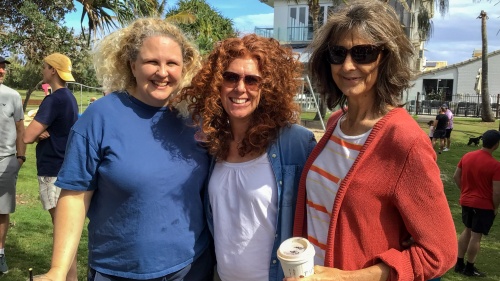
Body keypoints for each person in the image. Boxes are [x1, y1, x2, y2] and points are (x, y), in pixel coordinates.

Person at [287, 1, 457, 280]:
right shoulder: (335, 123)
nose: (347, 65)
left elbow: (440, 252)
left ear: (385, 59)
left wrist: (344, 277)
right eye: (337, 53)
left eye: (363, 53)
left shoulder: (404, 141)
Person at [33, 18, 213, 281]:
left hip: (191, 267)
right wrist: (58, 270)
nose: (163, 72)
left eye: (172, 63)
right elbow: (74, 196)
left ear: (184, 67)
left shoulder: (194, 119)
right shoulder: (100, 116)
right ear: (132, 66)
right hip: (117, 271)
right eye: (152, 62)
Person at [179, 34, 316, 281]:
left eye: (252, 80)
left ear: (268, 88)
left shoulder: (295, 143)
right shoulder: (211, 142)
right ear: (217, 83)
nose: (240, 88)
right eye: (231, 77)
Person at [23, 52, 79, 280]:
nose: (42, 70)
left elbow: (27, 136)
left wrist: (37, 135)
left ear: (53, 71)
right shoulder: (70, 98)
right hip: (64, 166)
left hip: (51, 170)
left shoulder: (54, 99)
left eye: (45, 67)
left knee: (61, 228)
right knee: (65, 227)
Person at [453, 129, 500, 277]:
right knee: (476, 235)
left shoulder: (467, 156)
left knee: (467, 230)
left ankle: (459, 263)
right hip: (483, 205)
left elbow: (456, 176)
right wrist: (495, 207)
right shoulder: (495, 165)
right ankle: (469, 267)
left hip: (467, 201)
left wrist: (465, 192)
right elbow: (497, 192)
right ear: (496, 145)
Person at [0, 55, 26, 274]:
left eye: (3, 68)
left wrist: (20, 157)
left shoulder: (12, 95)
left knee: (2, 210)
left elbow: (20, 129)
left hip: (6, 161)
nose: (1, 71)